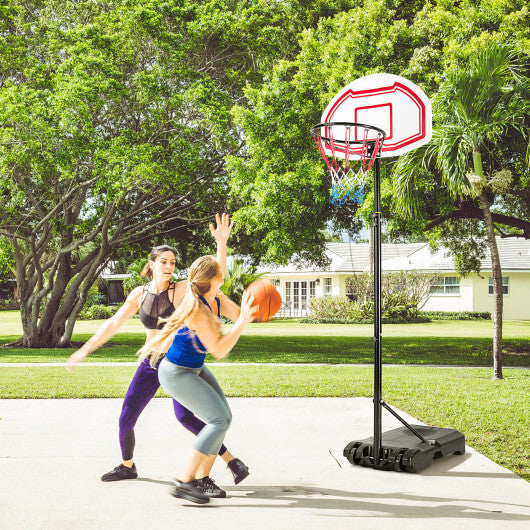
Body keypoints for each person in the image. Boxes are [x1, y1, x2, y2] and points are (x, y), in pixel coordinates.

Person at [65, 214, 249, 491]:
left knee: (188, 417)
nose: (169, 266)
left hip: (176, 363)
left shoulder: (180, 291)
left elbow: (213, 279)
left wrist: (221, 243)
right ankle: (128, 466)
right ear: (151, 264)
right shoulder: (138, 294)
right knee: (127, 415)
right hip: (150, 364)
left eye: (173, 262)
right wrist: (84, 350)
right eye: (163, 261)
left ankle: (221, 465)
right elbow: (112, 324)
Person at [138, 254, 257, 504]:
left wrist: (248, 311)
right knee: (218, 419)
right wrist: (242, 322)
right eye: (219, 273)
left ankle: (201, 478)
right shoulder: (198, 309)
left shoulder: (214, 296)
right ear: (215, 279)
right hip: (176, 373)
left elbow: (225, 285)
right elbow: (220, 350)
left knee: (223, 418)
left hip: (194, 369)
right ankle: (184, 480)